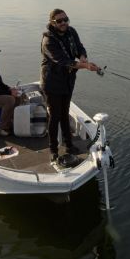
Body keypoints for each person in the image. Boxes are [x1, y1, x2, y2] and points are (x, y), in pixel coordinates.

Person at [40, 9, 99, 162]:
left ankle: (68, 144)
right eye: (59, 21)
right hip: (52, 82)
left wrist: (83, 57)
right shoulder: (48, 41)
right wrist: (85, 66)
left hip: (68, 80)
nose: (64, 23)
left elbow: (79, 47)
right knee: (55, 116)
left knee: (65, 112)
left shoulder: (71, 31)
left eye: (65, 19)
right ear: (53, 22)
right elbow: (63, 61)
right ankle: (53, 150)